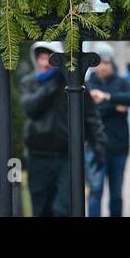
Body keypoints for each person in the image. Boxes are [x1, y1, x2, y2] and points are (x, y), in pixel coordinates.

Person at [20, 40, 106, 217]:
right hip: (38, 156)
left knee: (63, 209)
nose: (44, 63)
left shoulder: (73, 82)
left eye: (48, 58)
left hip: (67, 156)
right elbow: (30, 108)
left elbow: (90, 115)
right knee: (41, 209)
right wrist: (52, 85)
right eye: (41, 58)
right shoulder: (30, 82)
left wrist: (99, 145)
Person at [85, 44, 130, 217]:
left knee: (116, 194)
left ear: (111, 63)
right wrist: (115, 106)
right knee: (95, 192)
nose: (103, 66)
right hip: (96, 146)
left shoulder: (121, 82)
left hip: (119, 147)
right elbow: (89, 111)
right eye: (100, 62)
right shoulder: (89, 83)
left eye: (106, 62)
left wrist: (106, 97)